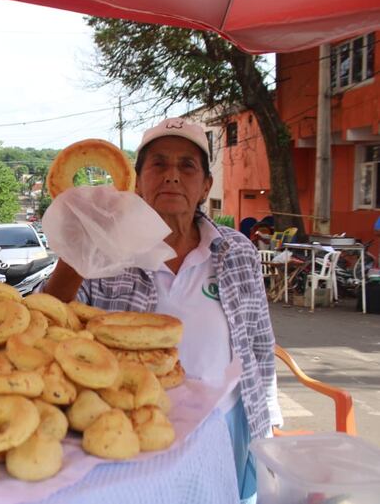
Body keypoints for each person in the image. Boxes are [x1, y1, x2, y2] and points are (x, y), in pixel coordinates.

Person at [43, 118, 281, 503]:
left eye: (187, 166)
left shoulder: (237, 252)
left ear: (205, 185)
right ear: (137, 182)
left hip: (226, 424)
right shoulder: (107, 250)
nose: (172, 175)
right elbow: (46, 325)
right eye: (158, 164)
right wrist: (76, 254)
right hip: (130, 429)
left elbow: (259, 342)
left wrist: (268, 425)